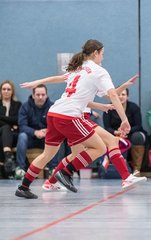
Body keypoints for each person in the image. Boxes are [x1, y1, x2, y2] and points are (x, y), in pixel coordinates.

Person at [15, 39, 131, 199]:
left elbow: (60, 78)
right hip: (69, 116)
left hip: (54, 113)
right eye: (102, 54)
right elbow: (112, 95)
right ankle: (66, 172)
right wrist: (124, 119)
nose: (102, 58)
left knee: (47, 154)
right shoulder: (99, 71)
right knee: (100, 148)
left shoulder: (79, 68)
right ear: (96, 53)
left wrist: (39, 81)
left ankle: (23, 186)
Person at [15, 84, 62, 179]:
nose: (40, 97)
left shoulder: (53, 107)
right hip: (30, 139)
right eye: (38, 95)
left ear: (46, 95)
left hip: (46, 140)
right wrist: (35, 132)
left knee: (57, 136)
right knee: (22, 136)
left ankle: (53, 168)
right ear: (33, 95)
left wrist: (48, 131)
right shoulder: (25, 106)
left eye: (43, 94)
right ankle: (20, 169)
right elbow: (22, 126)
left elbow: (57, 125)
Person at [103, 88, 147, 177]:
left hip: (131, 133)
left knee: (138, 137)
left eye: (123, 94)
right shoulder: (108, 108)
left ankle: (136, 169)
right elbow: (107, 127)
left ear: (127, 96)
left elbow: (138, 125)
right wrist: (117, 132)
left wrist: (127, 131)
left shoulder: (134, 107)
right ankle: (109, 168)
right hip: (115, 135)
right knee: (104, 137)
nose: (120, 97)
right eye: (118, 94)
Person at [0, 80, 21, 178]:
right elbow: (13, 121)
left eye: (9, 89)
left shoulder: (17, 104)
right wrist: (10, 124)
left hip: (14, 135)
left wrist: (1, 117)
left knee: (5, 131)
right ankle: (8, 158)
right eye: (4, 89)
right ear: (1, 91)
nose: (6, 91)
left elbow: (17, 120)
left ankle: (5, 168)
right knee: (6, 128)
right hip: (2, 132)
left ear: (12, 91)